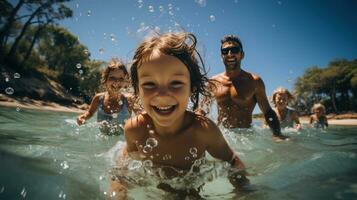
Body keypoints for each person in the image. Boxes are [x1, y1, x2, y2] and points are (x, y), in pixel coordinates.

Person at [110, 32, 249, 198]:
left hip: (192, 186)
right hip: (155, 185)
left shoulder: (203, 131)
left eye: (176, 83)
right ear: (138, 90)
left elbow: (232, 160)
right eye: (149, 84)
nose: (162, 95)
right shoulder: (134, 129)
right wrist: (118, 192)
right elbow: (124, 165)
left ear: (192, 87)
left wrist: (243, 191)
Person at [205, 34, 288, 141]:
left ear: (242, 54)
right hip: (222, 135)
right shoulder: (213, 82)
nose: (230, 54)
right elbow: (202, 110)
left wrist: (277, 134)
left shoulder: (254, 81)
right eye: (225, 51)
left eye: (234, 50)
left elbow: (268, 112)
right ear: (221, 56)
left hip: (246, 136)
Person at [76, 58, 137, 135]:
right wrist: (82, 117)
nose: (117, 82)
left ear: (125, 81)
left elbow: (142, 115)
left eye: (121, 78)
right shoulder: (98, 98)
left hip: (122, 143)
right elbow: (90, 113)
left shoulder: (129, 99)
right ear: (105, 80)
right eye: (112, 78)